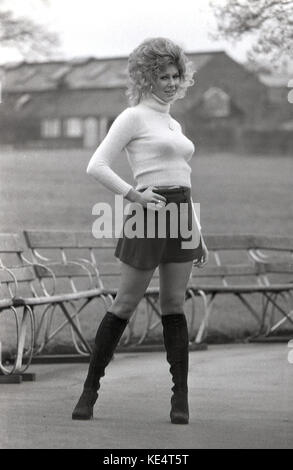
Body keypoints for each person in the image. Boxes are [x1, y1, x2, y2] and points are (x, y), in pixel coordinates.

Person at [72, 37, 208, 425]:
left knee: (174, 306)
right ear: (146, 78)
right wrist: (134, 196)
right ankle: (89, 391)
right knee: (125, 304)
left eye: (175, 75)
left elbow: (184, 177)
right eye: (162, 76)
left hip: (181, 214)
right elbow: (96, 165)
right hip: (148, 213)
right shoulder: (133, 116)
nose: (170, 82)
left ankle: (179, 399)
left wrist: (196, 231)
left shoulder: (173, 121)